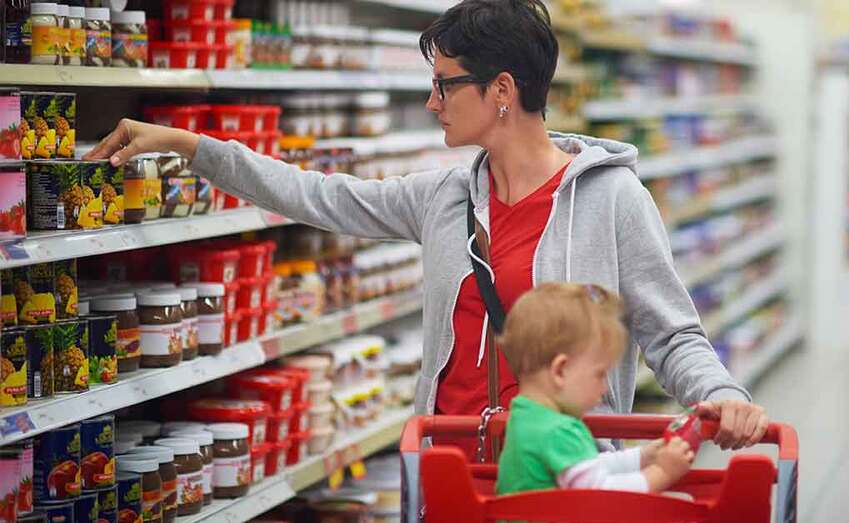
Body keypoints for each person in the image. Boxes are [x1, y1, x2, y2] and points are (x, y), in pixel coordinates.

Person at [85, 0, 767, 454]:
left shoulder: (613, 199)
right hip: (446, 467)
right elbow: (316, 194)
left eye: (445, 84)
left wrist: (724, 398)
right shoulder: (442, 197)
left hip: (563, 470)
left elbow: (671, 335)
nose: (431, 100)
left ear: (501, 91)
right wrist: (187, 143)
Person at [496, 283, 694, 495]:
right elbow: (601, 498)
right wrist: (662, 472)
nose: (604, 388)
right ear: (560, 371)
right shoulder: (559, 432)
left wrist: (644, 456)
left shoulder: (524, 417)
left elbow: (586, 466)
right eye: (600, 374)